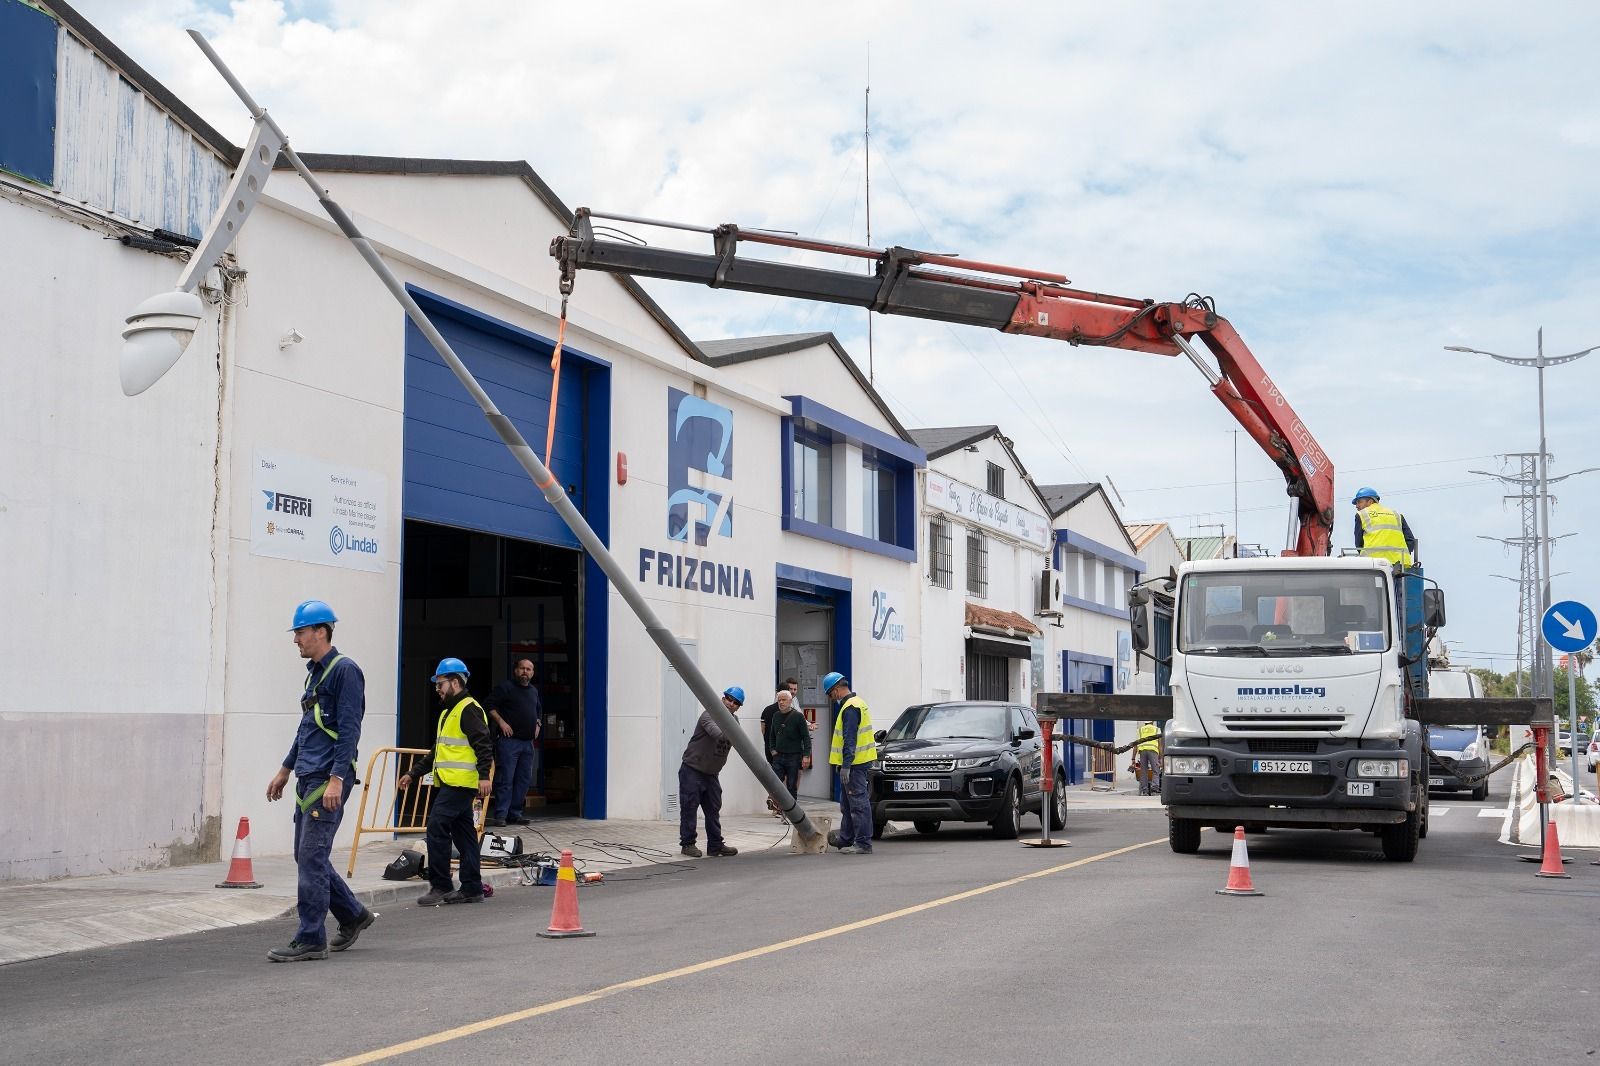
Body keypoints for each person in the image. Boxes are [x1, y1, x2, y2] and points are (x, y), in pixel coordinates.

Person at [265, 600, 374, 962]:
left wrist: (337, 779)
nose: (295, 639)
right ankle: (353, 914)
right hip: (308, 777)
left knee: (311, 857)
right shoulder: (314, 673)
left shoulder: (346, 672)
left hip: (327, 779)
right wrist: (285, 769)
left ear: (321, 631)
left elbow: (348, 731)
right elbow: (307, 727)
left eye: (300, 631)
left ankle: (311, 937)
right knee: (306, 855)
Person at [398, 658, 494, 906]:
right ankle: (472, 888)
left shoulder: (468, 709)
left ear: (455, 682)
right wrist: (414, 773)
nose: (437, 689)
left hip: (460, 784)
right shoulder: (448, 713)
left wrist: (484, 776)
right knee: (465, 837)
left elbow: (483, 743)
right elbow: (437, 751)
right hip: (452, 783)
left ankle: (440, 886)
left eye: (440, 684)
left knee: (436, 828)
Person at [679, 686, 744, 859]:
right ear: (722, 699)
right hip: (692, 769)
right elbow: (718, 734)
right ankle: (688, 844)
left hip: (711, 773)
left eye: (735, 702)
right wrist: (735, 734)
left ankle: (715, 845)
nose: (731, 703)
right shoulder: (708, 715)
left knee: (713, 809)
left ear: (738, 707)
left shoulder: (734, 721)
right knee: (689, 807)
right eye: (729, 699)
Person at [485, 657, 542, 827]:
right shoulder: (506, 688)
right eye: (522, 668)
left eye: (529, 669)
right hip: (509, 742)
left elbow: (538, 709)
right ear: (515, 670)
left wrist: (538, 723)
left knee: (523, 780)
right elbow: (489, 705)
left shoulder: (533, 691)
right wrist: (501, 723)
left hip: (527, 743)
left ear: (532, 673)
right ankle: (500, 815)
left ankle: (515, 814)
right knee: (505, 779)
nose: (525, 671)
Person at [824, 671, 876, 855]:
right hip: (855, 764)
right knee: (847, 805)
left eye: (830, 694)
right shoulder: (856, 703)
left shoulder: (850, 708)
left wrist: (846, 765)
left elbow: (849, 740)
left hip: (855, 765)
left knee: (858, 804)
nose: (831, 699)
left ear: (837, 690)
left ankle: (863, 843)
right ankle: (846, 839)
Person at [1351, 487, 1416, 567]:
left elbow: (1359, 543)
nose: (1357, 506)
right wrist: (1400, 555)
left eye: (1359, 502)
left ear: (1370, 501)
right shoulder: (1396, 515)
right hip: (1400, 565)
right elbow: (1410, 541)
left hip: (1374, 564)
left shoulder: (1362, 515)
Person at [768, 690, 811, 807]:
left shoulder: (798, 717)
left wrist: (806, 756)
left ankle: (792, 812)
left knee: (792, 786)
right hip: (778, 756)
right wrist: (772, 750)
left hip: (794, 756)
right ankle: (776, 805)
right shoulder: (776, 716)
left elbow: (806, 737)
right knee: (775, 783)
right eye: (779, 700)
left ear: (790, 701)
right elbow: (771, 735)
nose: (781, 702)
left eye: (784, 700)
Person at [1134, 721, 1162, 796]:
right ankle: (1154, 790)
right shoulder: (1157, 729)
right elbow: (1160, 744)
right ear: (1152, 722)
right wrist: (1161, 758)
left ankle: (1145, 791)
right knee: (1156, 770)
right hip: (1153, 750)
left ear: (1144, 723)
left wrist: (1133, 758)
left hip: (1142, 751)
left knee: (1143, 771)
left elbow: (1135, 745)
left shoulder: (1140, 730)